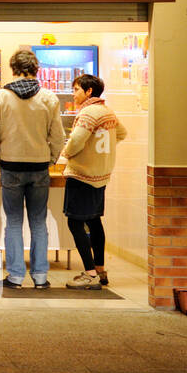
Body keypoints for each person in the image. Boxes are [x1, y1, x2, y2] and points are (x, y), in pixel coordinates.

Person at [0, 49, 65, 288]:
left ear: (13, 69)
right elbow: (58, 136)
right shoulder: (49, 98)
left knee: (14, 221)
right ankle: (40, 277)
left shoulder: (0, 97)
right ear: (36, 69)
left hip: (11, 165)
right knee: (39, 221)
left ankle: (16, 276)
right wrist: (50, 160)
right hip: (39, 167)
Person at [62, 73, 127, 289]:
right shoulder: (107, 112)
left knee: (75, 222)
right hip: (101, 176)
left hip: (82, 175)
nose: (74, 94)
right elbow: (122, 133)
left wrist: (67, 152)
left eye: (77, 90)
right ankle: (100, 269)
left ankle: (89, 274)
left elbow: (76, 141)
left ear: (89, 91)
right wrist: (101, 152)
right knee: (94, 221)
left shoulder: (88, 113)